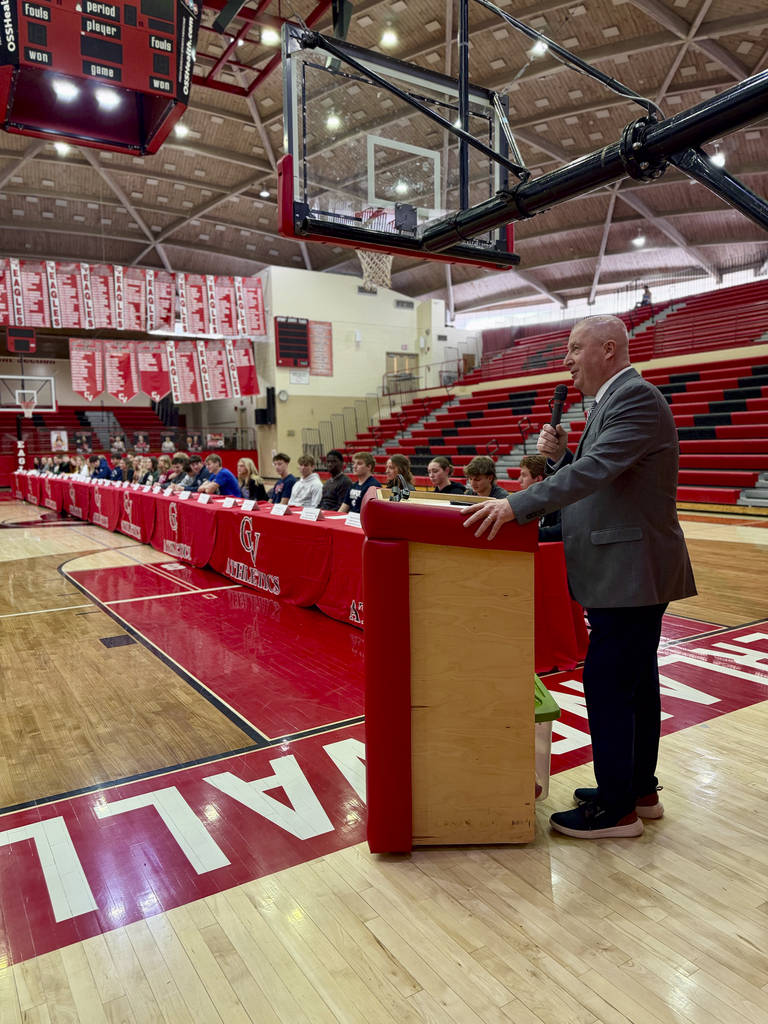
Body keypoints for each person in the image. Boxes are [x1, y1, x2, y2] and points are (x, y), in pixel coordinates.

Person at [463, 314, 696, 840]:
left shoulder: (634, 398)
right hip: (628, 568)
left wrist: (517, 504)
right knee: (635, 684)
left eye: (573, 348)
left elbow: (595, 473)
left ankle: (616, 811)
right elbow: (606, 476)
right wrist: (562, 457)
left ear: (608, 349)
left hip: (631, 570)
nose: (566, 360)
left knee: (608, 683)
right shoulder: (614, 402)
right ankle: (637, 790)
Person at [518, 454, 562, 541]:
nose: (519, 480)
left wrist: (528, 534)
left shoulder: (561, 500)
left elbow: (562, 530)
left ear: (538, 479)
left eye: (524, 475)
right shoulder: (527, 501)